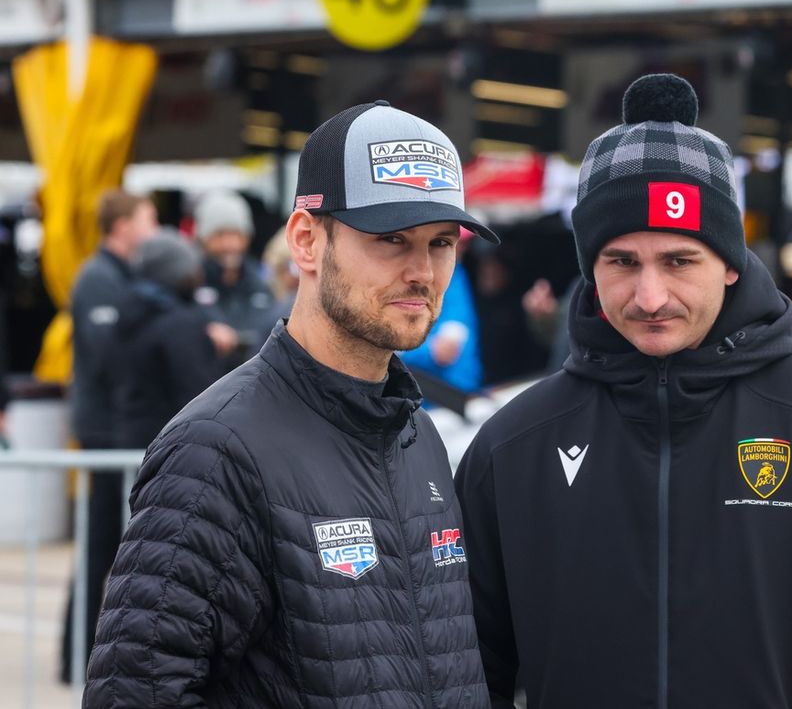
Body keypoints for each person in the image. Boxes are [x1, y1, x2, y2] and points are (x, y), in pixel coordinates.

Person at [454, 74, 792, 708]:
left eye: (679, 261)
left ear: (731, 262)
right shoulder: (512, 446)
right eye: (622, 262)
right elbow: (461, 663)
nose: (650, 296)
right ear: (589, 268)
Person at [84, 100, 499, 708]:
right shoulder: (215, 452)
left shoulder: (418, 436)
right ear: (306, 241)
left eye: (440, 242)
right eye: (390, 238)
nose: (423, 271)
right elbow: (134, 693)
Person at [62, 188, 158, 681]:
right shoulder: (98, 278)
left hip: (117, 428)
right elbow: (109, 357)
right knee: (100, 545)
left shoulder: (123, 276)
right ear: (122, 226)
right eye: (148, 218)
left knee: (112, 545)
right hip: (104, 430)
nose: (154, 228)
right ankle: (74, 656)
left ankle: (84, 654)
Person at [112, 230, 224, 450]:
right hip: (173, 445)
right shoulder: (180, 324)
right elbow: (200, 394)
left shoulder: (129, 313)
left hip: (133, 438)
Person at [400, 227, 483, 393]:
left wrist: (395, 350)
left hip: (453, 396)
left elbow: (445, 350)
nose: (460, 247)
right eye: (440, 242)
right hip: (423, 398)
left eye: (460, 242)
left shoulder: (457, 275)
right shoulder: (433, 275)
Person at [193, 189, 274, 357]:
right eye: (220, 235)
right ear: (204, 238)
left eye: (236, 234)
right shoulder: (191, 282)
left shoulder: (261, 282)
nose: (229, 244)